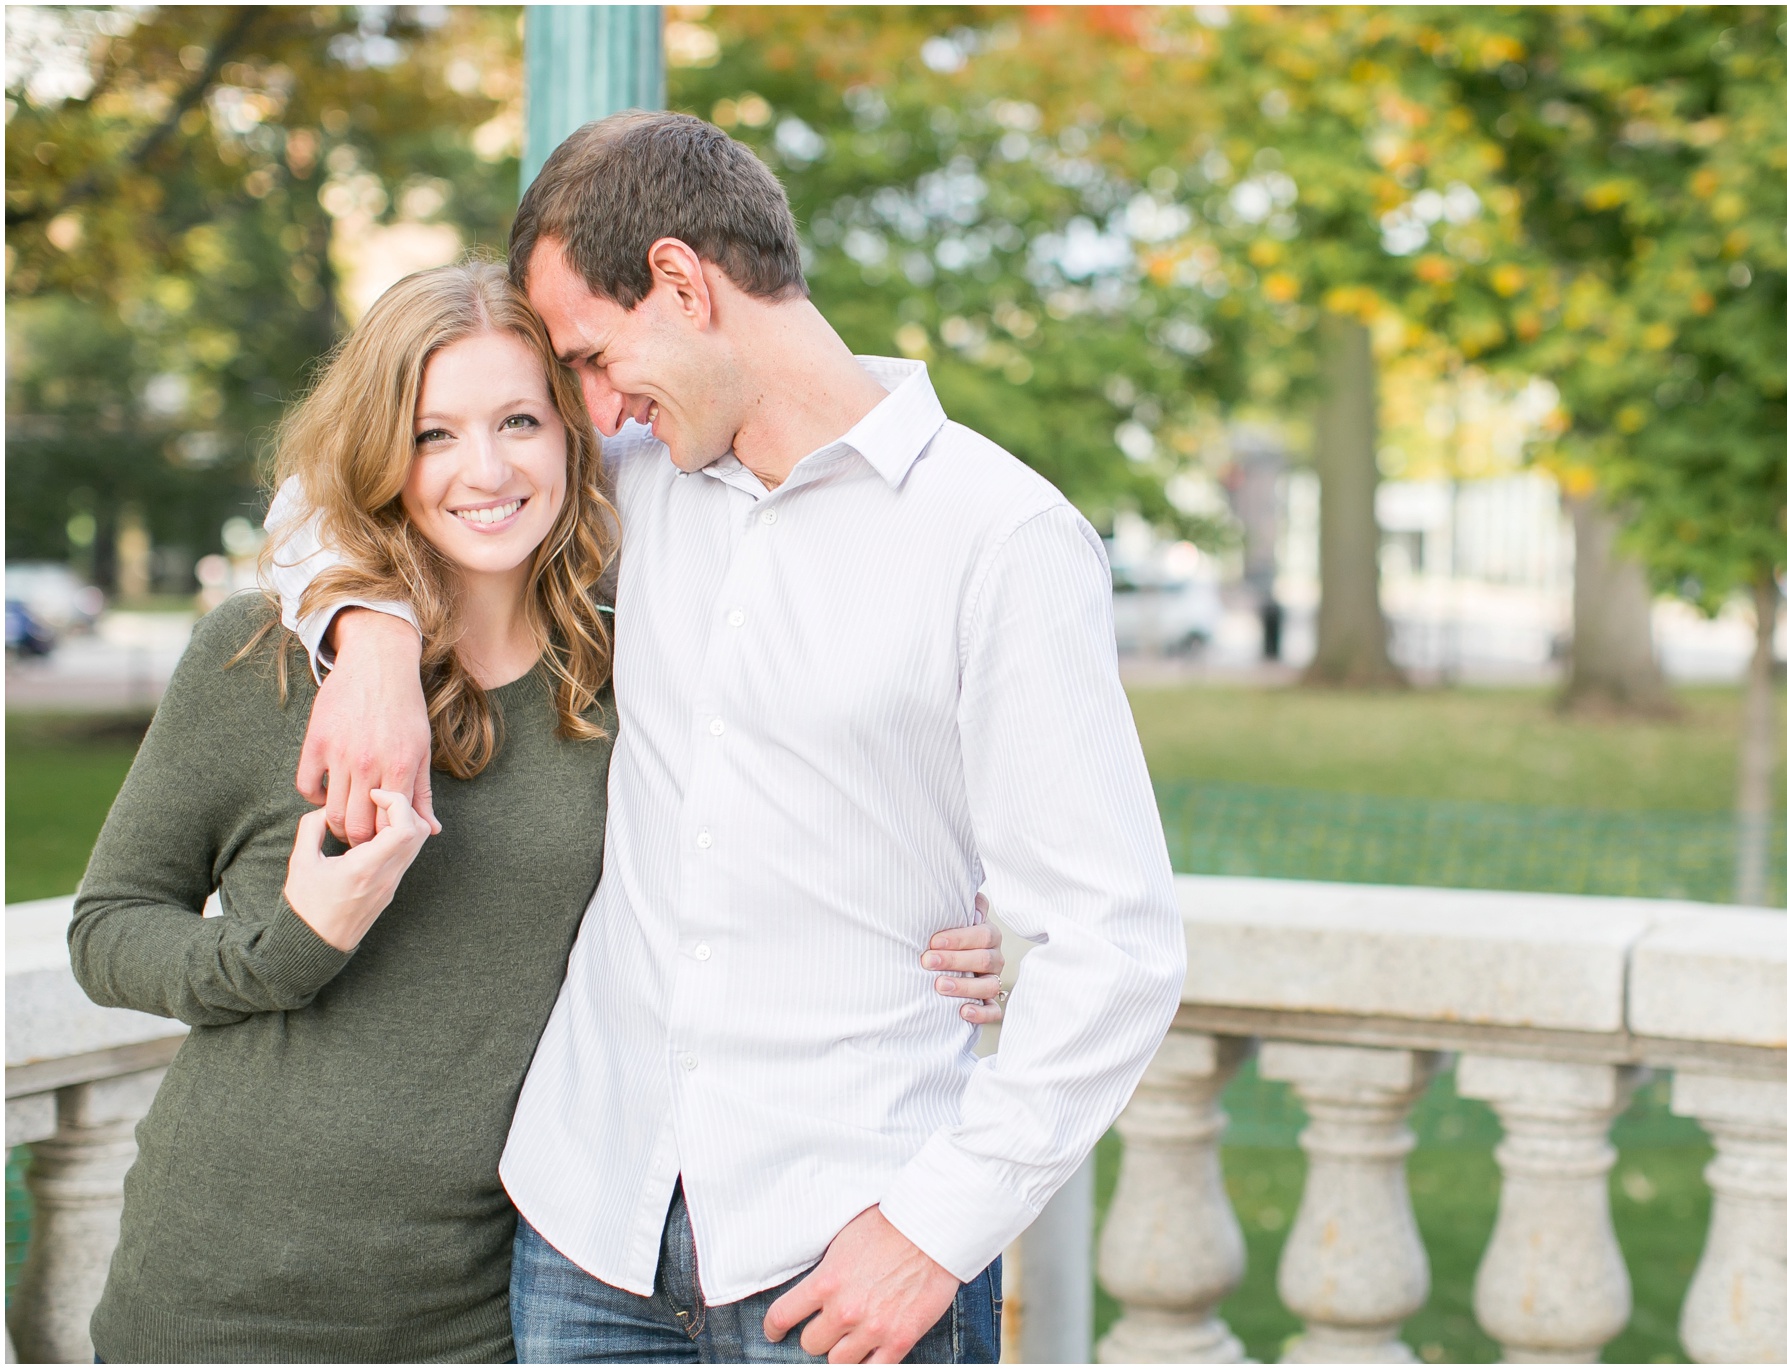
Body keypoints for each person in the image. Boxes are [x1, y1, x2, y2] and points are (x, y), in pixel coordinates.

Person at [270, 110, 1186, 1365]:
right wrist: (369, 642)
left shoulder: (1001, 538)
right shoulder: (629, 483)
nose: (589, 405)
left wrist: (935, 1229)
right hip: (586, 1235)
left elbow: (1114, 944)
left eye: (591, 357)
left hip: (849, 1256)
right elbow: (332, 488)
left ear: (681, 283)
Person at [69, 260, 1006, 1365]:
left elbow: (777, 833)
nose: (485, 469)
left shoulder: (629, 673)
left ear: (576, 435)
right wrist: (287, 946)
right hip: (221, 1283)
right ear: (384, 453)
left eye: (519, 419)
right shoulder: (260, 661)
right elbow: (107, 930)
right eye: (431, 434)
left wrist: (957, 923)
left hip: (482, 1300)